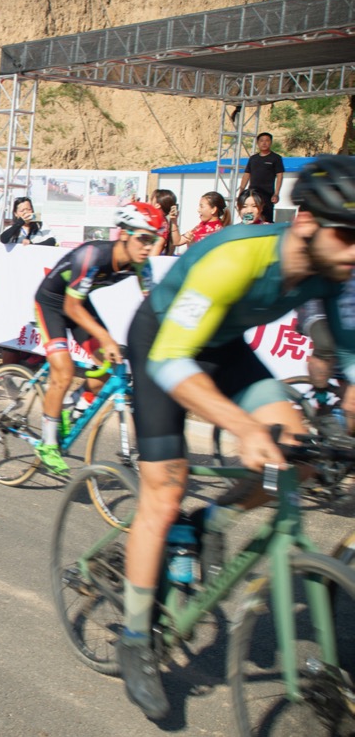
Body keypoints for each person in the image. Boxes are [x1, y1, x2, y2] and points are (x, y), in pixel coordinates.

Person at [117, 155, 355, 721]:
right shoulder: (236, 256)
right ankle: (133, 637)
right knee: (165, 490)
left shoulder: (335, 269)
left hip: (221, 347)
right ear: (305, 224)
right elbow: (174, 359)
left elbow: (349, 359)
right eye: (346, 235)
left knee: (298, 455)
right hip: (163, 343)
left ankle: (211, 522)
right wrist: (243, 426)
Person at [31, 203, 165, 474]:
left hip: (79, 303)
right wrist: (105, 336)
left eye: (153, 240)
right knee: (65, 371)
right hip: (53, 303)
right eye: (143, 238)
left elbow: (155, 307)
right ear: (125, 234)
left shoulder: (142, 265)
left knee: (109, 367)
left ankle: (70, 407)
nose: (148, 247)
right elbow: (70, 308)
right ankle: (46, 444)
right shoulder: (94, 255)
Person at [238, 131, 284, 222]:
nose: (264, 143)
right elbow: (247, 174)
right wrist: (241, 190)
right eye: (261, 141)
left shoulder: (276, 158)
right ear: (258, 143)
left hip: (267, 195)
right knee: (250, 217)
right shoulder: (253, 158)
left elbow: (280, 176)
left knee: (266, 219)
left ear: (271, 143)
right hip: (253, 194)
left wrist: (277, 193)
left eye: (267, 140)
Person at [151, 189, 180, 255]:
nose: (147, 202)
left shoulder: (161, 225)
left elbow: (154, 254)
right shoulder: (158, 221)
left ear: (157, 205)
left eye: (150, 200)